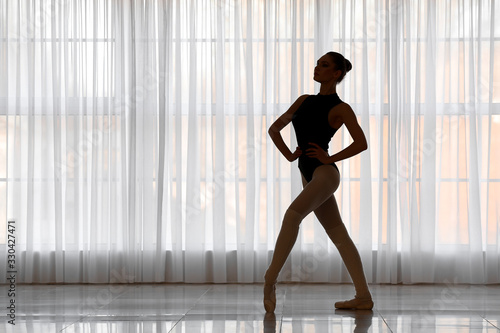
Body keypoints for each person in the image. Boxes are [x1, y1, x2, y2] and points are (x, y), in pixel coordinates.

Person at [263, 52, 373, 313]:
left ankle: (269, 279)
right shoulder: (303, 100)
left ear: (336, 74)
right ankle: (364, 297)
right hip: (307, 172)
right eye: (317, 63)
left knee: (292, 217)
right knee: (339, 234)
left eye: (324, 65)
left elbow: (361, 143)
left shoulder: (341, 108)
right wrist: (290, 154)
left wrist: (330, 156)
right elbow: (274, 129)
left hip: (325, 173)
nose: (317, 67)